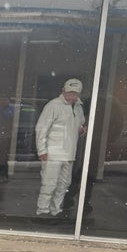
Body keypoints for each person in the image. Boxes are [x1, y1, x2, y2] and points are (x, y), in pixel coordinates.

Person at [35, 78, 86, 217]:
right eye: (69, 92)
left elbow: (79, 124)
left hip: (69, 154)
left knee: (64, 185)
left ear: (78, 94)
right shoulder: (53, 105)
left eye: (75, 93)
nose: (71, 96)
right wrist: (42, 150)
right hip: (53, 154)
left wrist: (81, 129)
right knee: (49, 184)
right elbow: (41, 129)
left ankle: (55, 211)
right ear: (63, 90)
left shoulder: (78, 107)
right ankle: (42, 212)